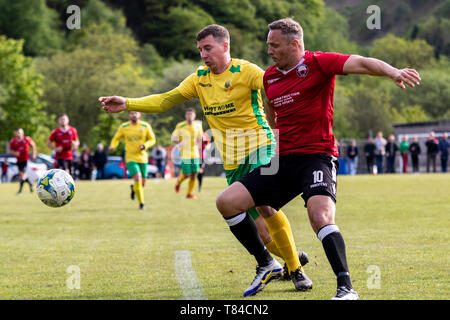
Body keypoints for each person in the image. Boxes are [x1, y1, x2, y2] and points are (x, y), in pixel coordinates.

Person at [215, 18, 421, 300]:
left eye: (274, 45)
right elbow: (272, 111)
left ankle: (346, 288)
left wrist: (392, 71)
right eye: (268, 45)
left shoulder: (319, 63)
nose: (270, 51)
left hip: (318, 157)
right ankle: (266, 262)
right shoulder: (270, 78)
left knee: (320, 217)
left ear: (294, 44)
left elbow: (361, 62)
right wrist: (275, 141)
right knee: (227, 202)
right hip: (284, 161)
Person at [99, 24, 311, 296]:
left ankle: (296, 271)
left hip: (261, 146)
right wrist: (127, 103)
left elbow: (278, 87)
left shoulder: (247, 71)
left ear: (225, 46)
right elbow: (165, 100)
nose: (203, 55)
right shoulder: (199, 79)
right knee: (262, 234)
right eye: (200, 50)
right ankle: (287, 257)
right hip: (233, 161)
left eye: (208, 48)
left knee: (267, 205)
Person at [109, 111, 156, 210]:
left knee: (142, 182)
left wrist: (145, 145)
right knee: (138, 178)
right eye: (131, 113)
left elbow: (152, 139)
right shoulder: (124, 127)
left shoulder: (145, 126)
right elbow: (116, 138)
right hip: (130, 157)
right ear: (129, 115)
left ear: (140, 114)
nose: (134, 115)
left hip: (142, 157)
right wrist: (113, 146)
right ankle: (142, 204)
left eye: (136, 113)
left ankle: (134, 189)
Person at [172, 109, 203, 199]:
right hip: (185, 154)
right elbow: (174, 138)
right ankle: (178, 182)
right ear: (185, 116)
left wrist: (202, 145)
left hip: (195, 153)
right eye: (188, 114)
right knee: (187, 175)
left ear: (195, 116)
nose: (190, 116)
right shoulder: (180, 125)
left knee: (195, 174)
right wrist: (179, 142)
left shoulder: (198, 126)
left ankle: (189, 194)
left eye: (191, 114)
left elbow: (200, 138)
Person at [9, 128, 37, 194]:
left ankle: (20, 191)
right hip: (18, 160)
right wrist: (15, 153)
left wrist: (34, 154)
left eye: (20, 132)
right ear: (15, 133)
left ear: (23, 133)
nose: (19, 134)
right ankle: (30, 183)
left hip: (25, 160)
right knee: (23, 175)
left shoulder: (26, 139)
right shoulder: (13, 141)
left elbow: (33, 145)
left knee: (22, 175)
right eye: (17, 132)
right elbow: (10, 151)